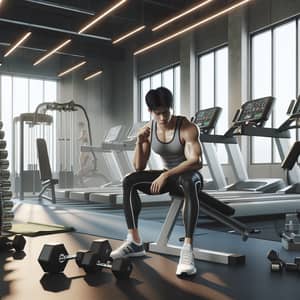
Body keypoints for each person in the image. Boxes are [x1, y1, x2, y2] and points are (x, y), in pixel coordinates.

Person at [110, 87, 203, 276]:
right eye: (158, 113)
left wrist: (165, 175)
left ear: (171, 108)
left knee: (186, 181)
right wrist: (139, 141)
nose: (162, 118)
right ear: (150, 111)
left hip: (189, 176)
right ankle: (134, 242)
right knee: (129, 180)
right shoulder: (148, 129)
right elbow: (139, 167)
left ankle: (187, 249)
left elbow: (196, 162)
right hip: (168, 176)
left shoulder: (186, 127)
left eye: (166, 112)